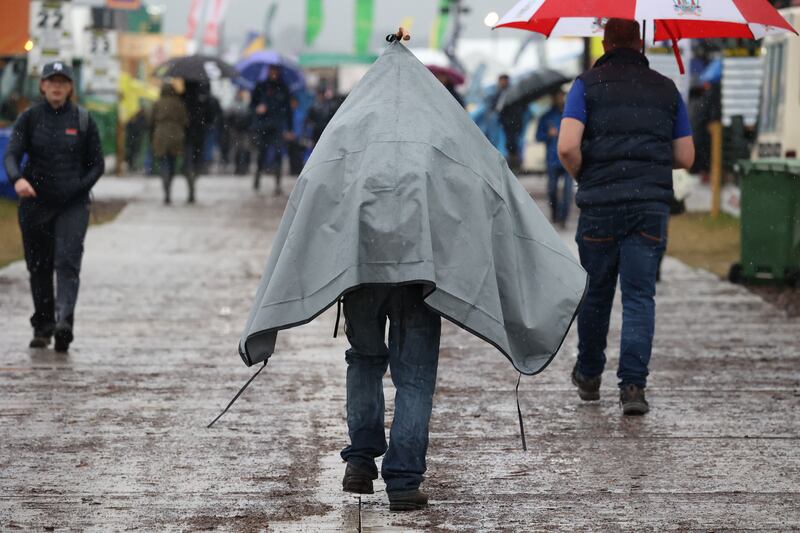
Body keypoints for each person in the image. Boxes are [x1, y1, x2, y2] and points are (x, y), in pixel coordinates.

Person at [235, 27, 586, 512]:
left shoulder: (347, 130)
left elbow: (314, 188)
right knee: (415, 373)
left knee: (363, 359)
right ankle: (403, 480)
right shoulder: (444, 131)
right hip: (422, 271)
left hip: (359, 269)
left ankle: (360, 460)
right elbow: (486, 180)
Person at [557, 19, 695, 415]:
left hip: (599, 205)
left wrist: (588, 171)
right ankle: (633, 387)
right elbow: (685, 156)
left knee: (597, 293)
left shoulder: (585, 85)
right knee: (639, 297)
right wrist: (648, 159)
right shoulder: (666, 89)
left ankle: (588, 374)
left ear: (604, 42)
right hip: (649, 206)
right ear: (641, 42)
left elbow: (567, 147)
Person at [3, 61, 105, 352]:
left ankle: (64, 323)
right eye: (52, 81)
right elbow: (11, 155)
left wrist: (78, 188)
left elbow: (97, 164)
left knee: (67, 261)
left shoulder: (84, 120)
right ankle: (43, 325)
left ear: (71, 87)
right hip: (35, 203)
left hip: (72, 204)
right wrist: (17, 180)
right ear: (43, 86)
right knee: (39, 266)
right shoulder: (30, 118)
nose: (57, 86)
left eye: (63, 81)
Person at [250, 65, 293, 194]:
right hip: (262, 126)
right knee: (261, 154)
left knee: (278, 154)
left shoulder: (284, 88)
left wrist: (290, 129)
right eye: (271, 70)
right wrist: (258, 109)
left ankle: (278, 184)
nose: (273, 73)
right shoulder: (261, 86)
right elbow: (252, 106)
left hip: (277, 126)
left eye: (275, 70)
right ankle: (257, 178)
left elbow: (288, 110)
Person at [536, 90, 572, 227]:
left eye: (561, 96)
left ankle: (563, 219)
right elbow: (538, 136)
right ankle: (555, 213)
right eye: (557, 96)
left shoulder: (570, 114)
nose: (559, 99)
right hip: (552, 159)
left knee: (568, 191)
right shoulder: (546, 117)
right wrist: (548, 134)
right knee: (552, 189)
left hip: (568, 157)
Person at [151, 82, 189, 204]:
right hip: (176, 134)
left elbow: (151, 120)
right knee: (172, 162)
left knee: (163, 162)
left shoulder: (158, 103)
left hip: (161, 134)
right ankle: (170, 182)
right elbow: (186, 121)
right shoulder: (179, 104)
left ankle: (165, 188)